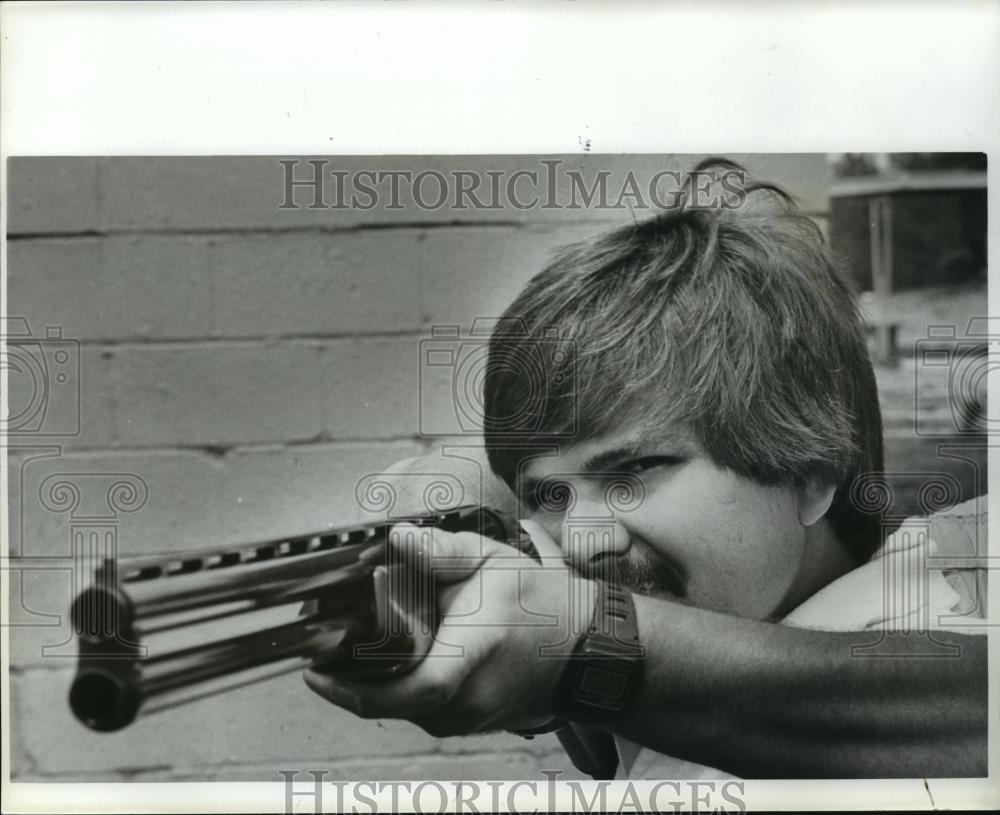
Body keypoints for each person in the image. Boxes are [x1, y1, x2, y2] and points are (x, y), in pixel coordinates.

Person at [304, 160, 988, 779]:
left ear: (812, 468)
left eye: (636, 469)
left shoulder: (959, 603)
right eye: (550, 495)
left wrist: (580, 650)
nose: (583, 539)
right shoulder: (740, 594)